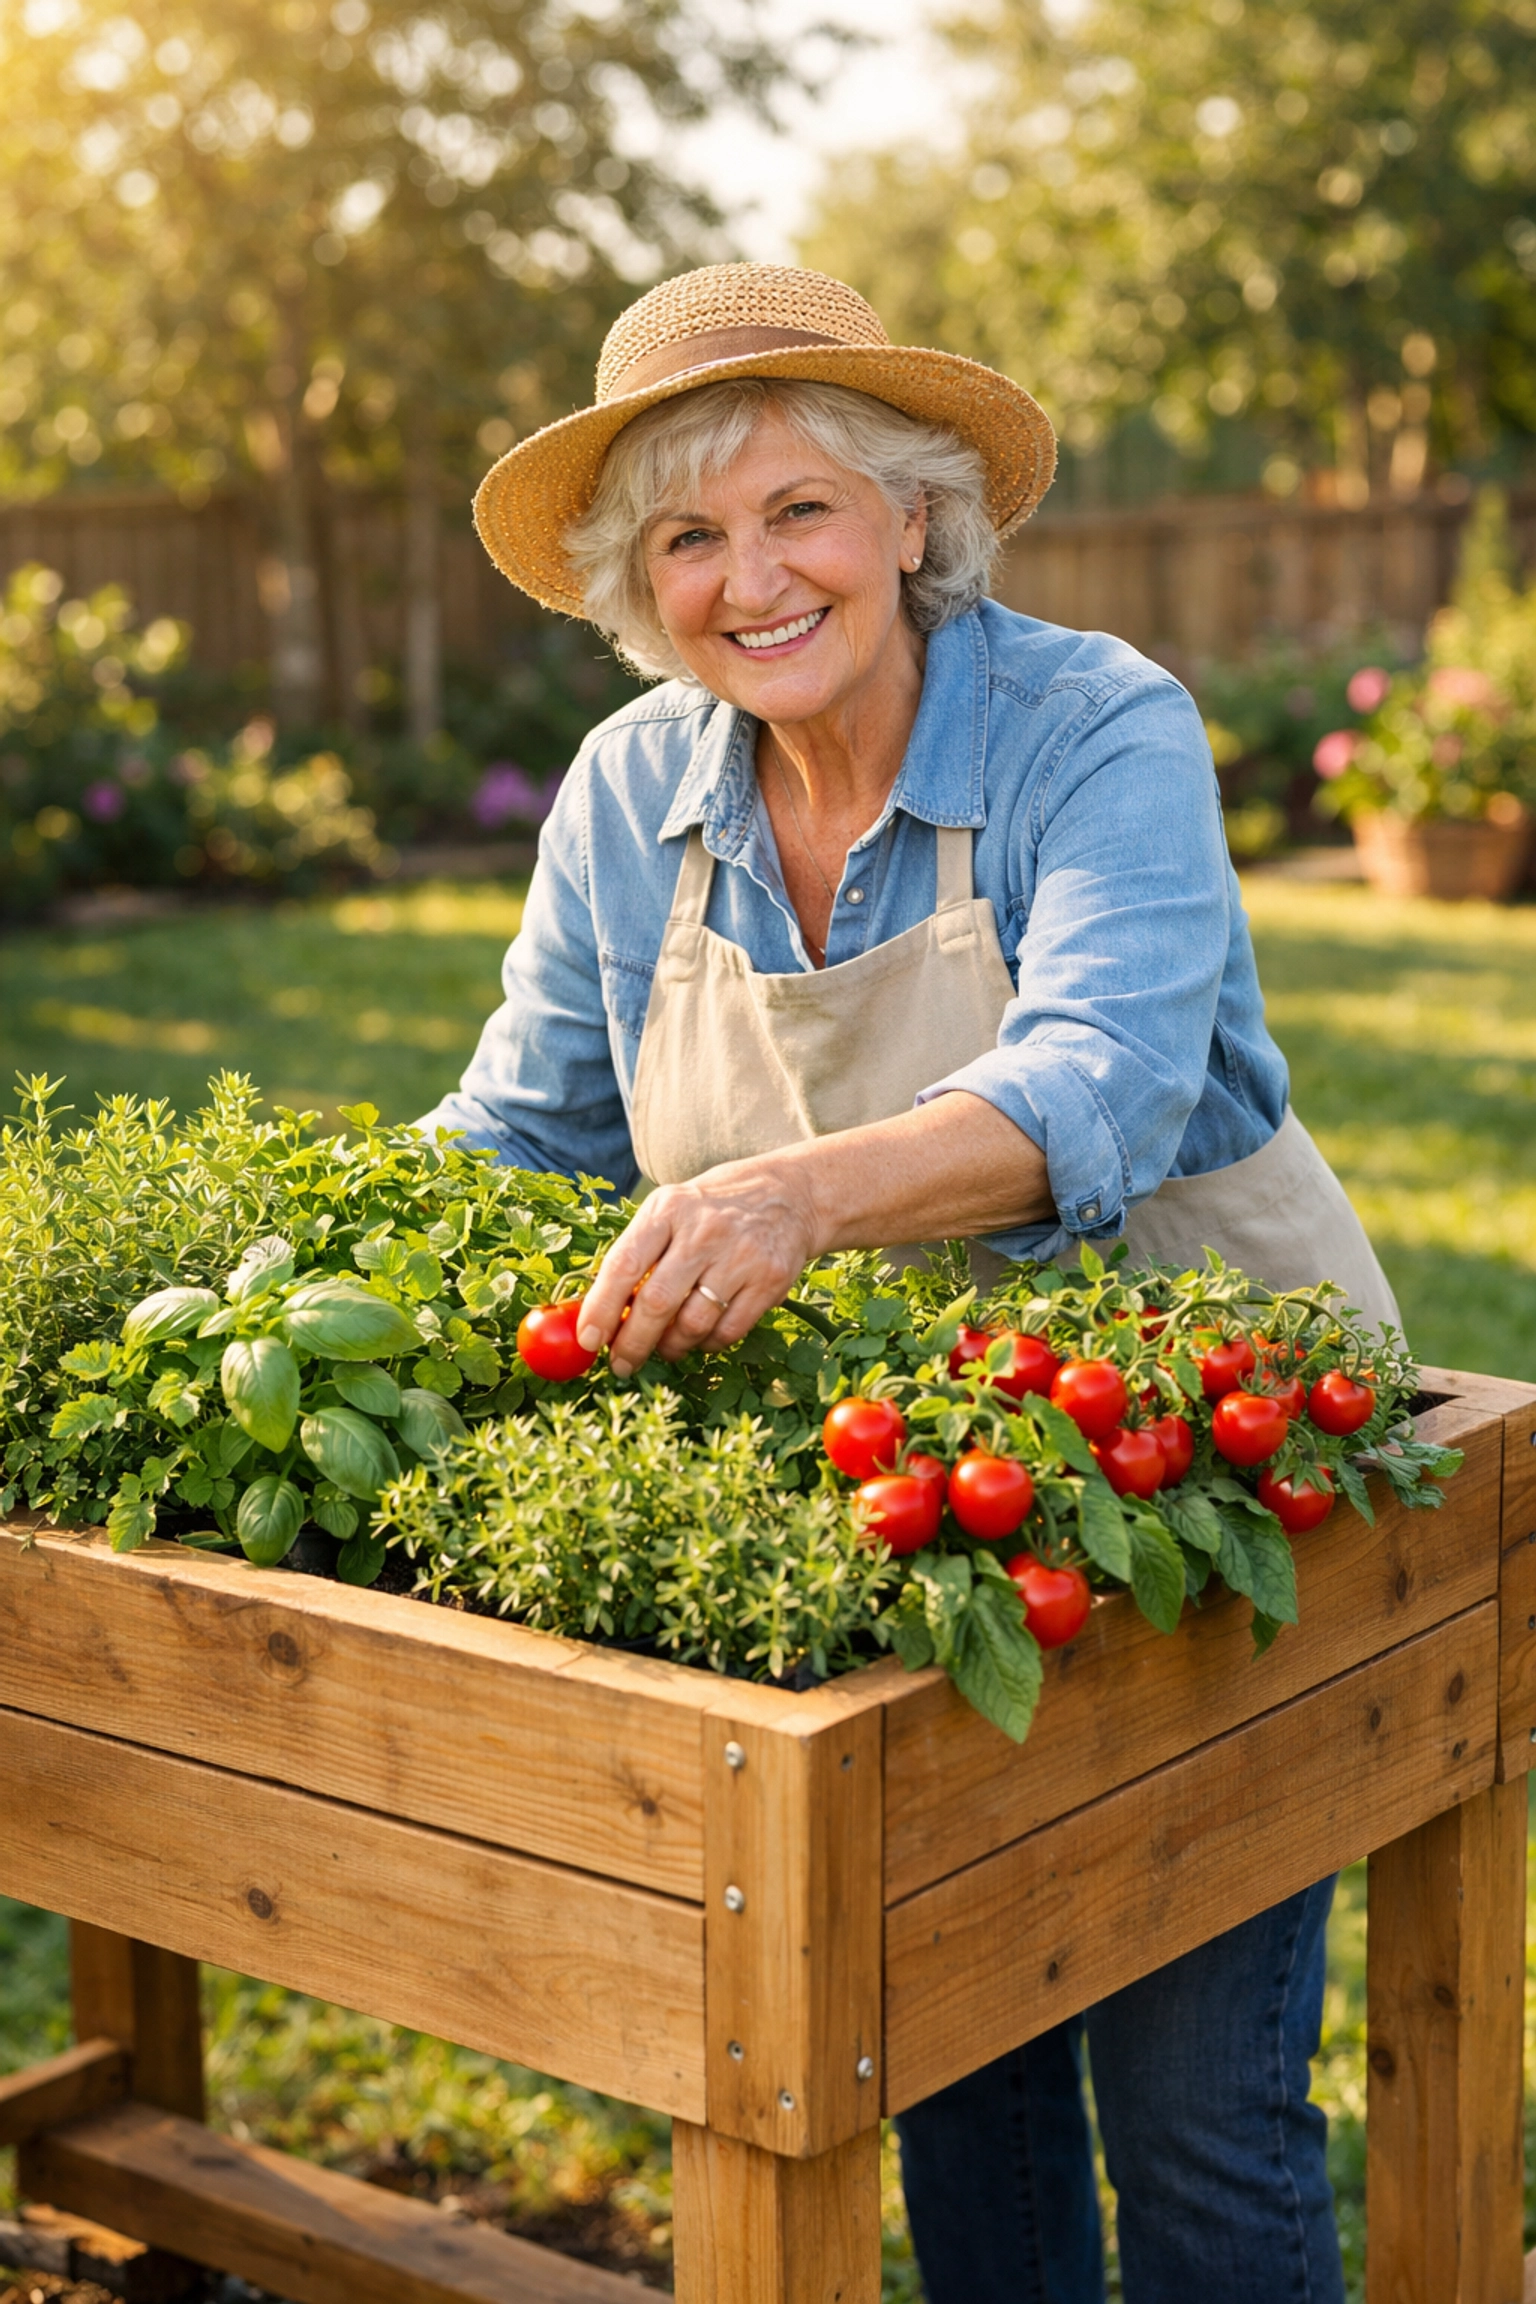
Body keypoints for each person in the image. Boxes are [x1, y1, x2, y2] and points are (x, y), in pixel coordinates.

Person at [421, 260, 1397, 2303]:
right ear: (637, 579)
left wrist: (793, 1198)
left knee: (1199, 2116)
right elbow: (524, 1129)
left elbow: (1101, 1068)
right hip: (906, 1482)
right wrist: (265, 1268)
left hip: (1200, 1451)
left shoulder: (1093, 722)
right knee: (952, 2059)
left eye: (800, 510)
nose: (750, 578)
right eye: (689, 534)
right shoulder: (630, 795)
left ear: (912, 521)